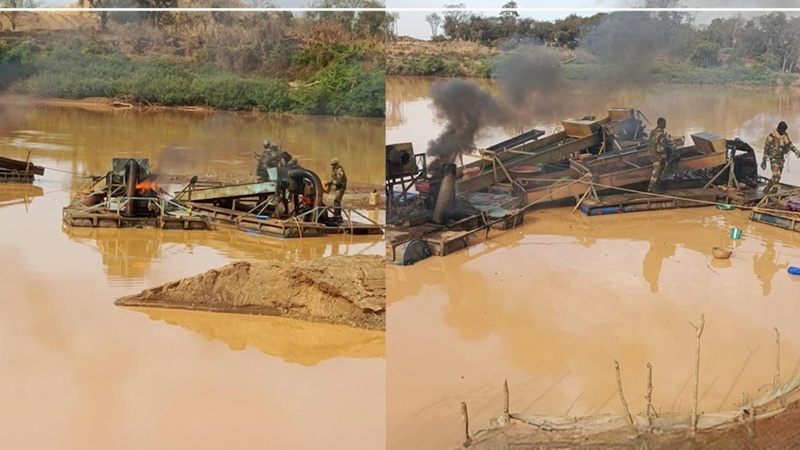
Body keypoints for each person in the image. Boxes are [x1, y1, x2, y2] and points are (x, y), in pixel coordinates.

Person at [762, 121, 800, 194]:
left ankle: (773, 191)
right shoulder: (772, 136)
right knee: (776, 175)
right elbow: (766, 148)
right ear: (779, 129)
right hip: (773, 158)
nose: (783, 132)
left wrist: (797, 151)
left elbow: (789, 145)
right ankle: (767, 190)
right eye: (783, 130)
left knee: (778, 177)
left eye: (784, 131)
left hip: (781, 159)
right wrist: (764, 160)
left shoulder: (785, 136)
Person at [647, 117, 669, 193]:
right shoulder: (660, 133)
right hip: (656, 155)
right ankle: (651, 188)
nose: (665, 125)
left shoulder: (653, 131)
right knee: (656, 172)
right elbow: (661, 148)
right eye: (665, 123)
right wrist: (665, 159)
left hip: (651, 153)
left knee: (658, 171)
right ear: (661, 124)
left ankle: (656, 187)